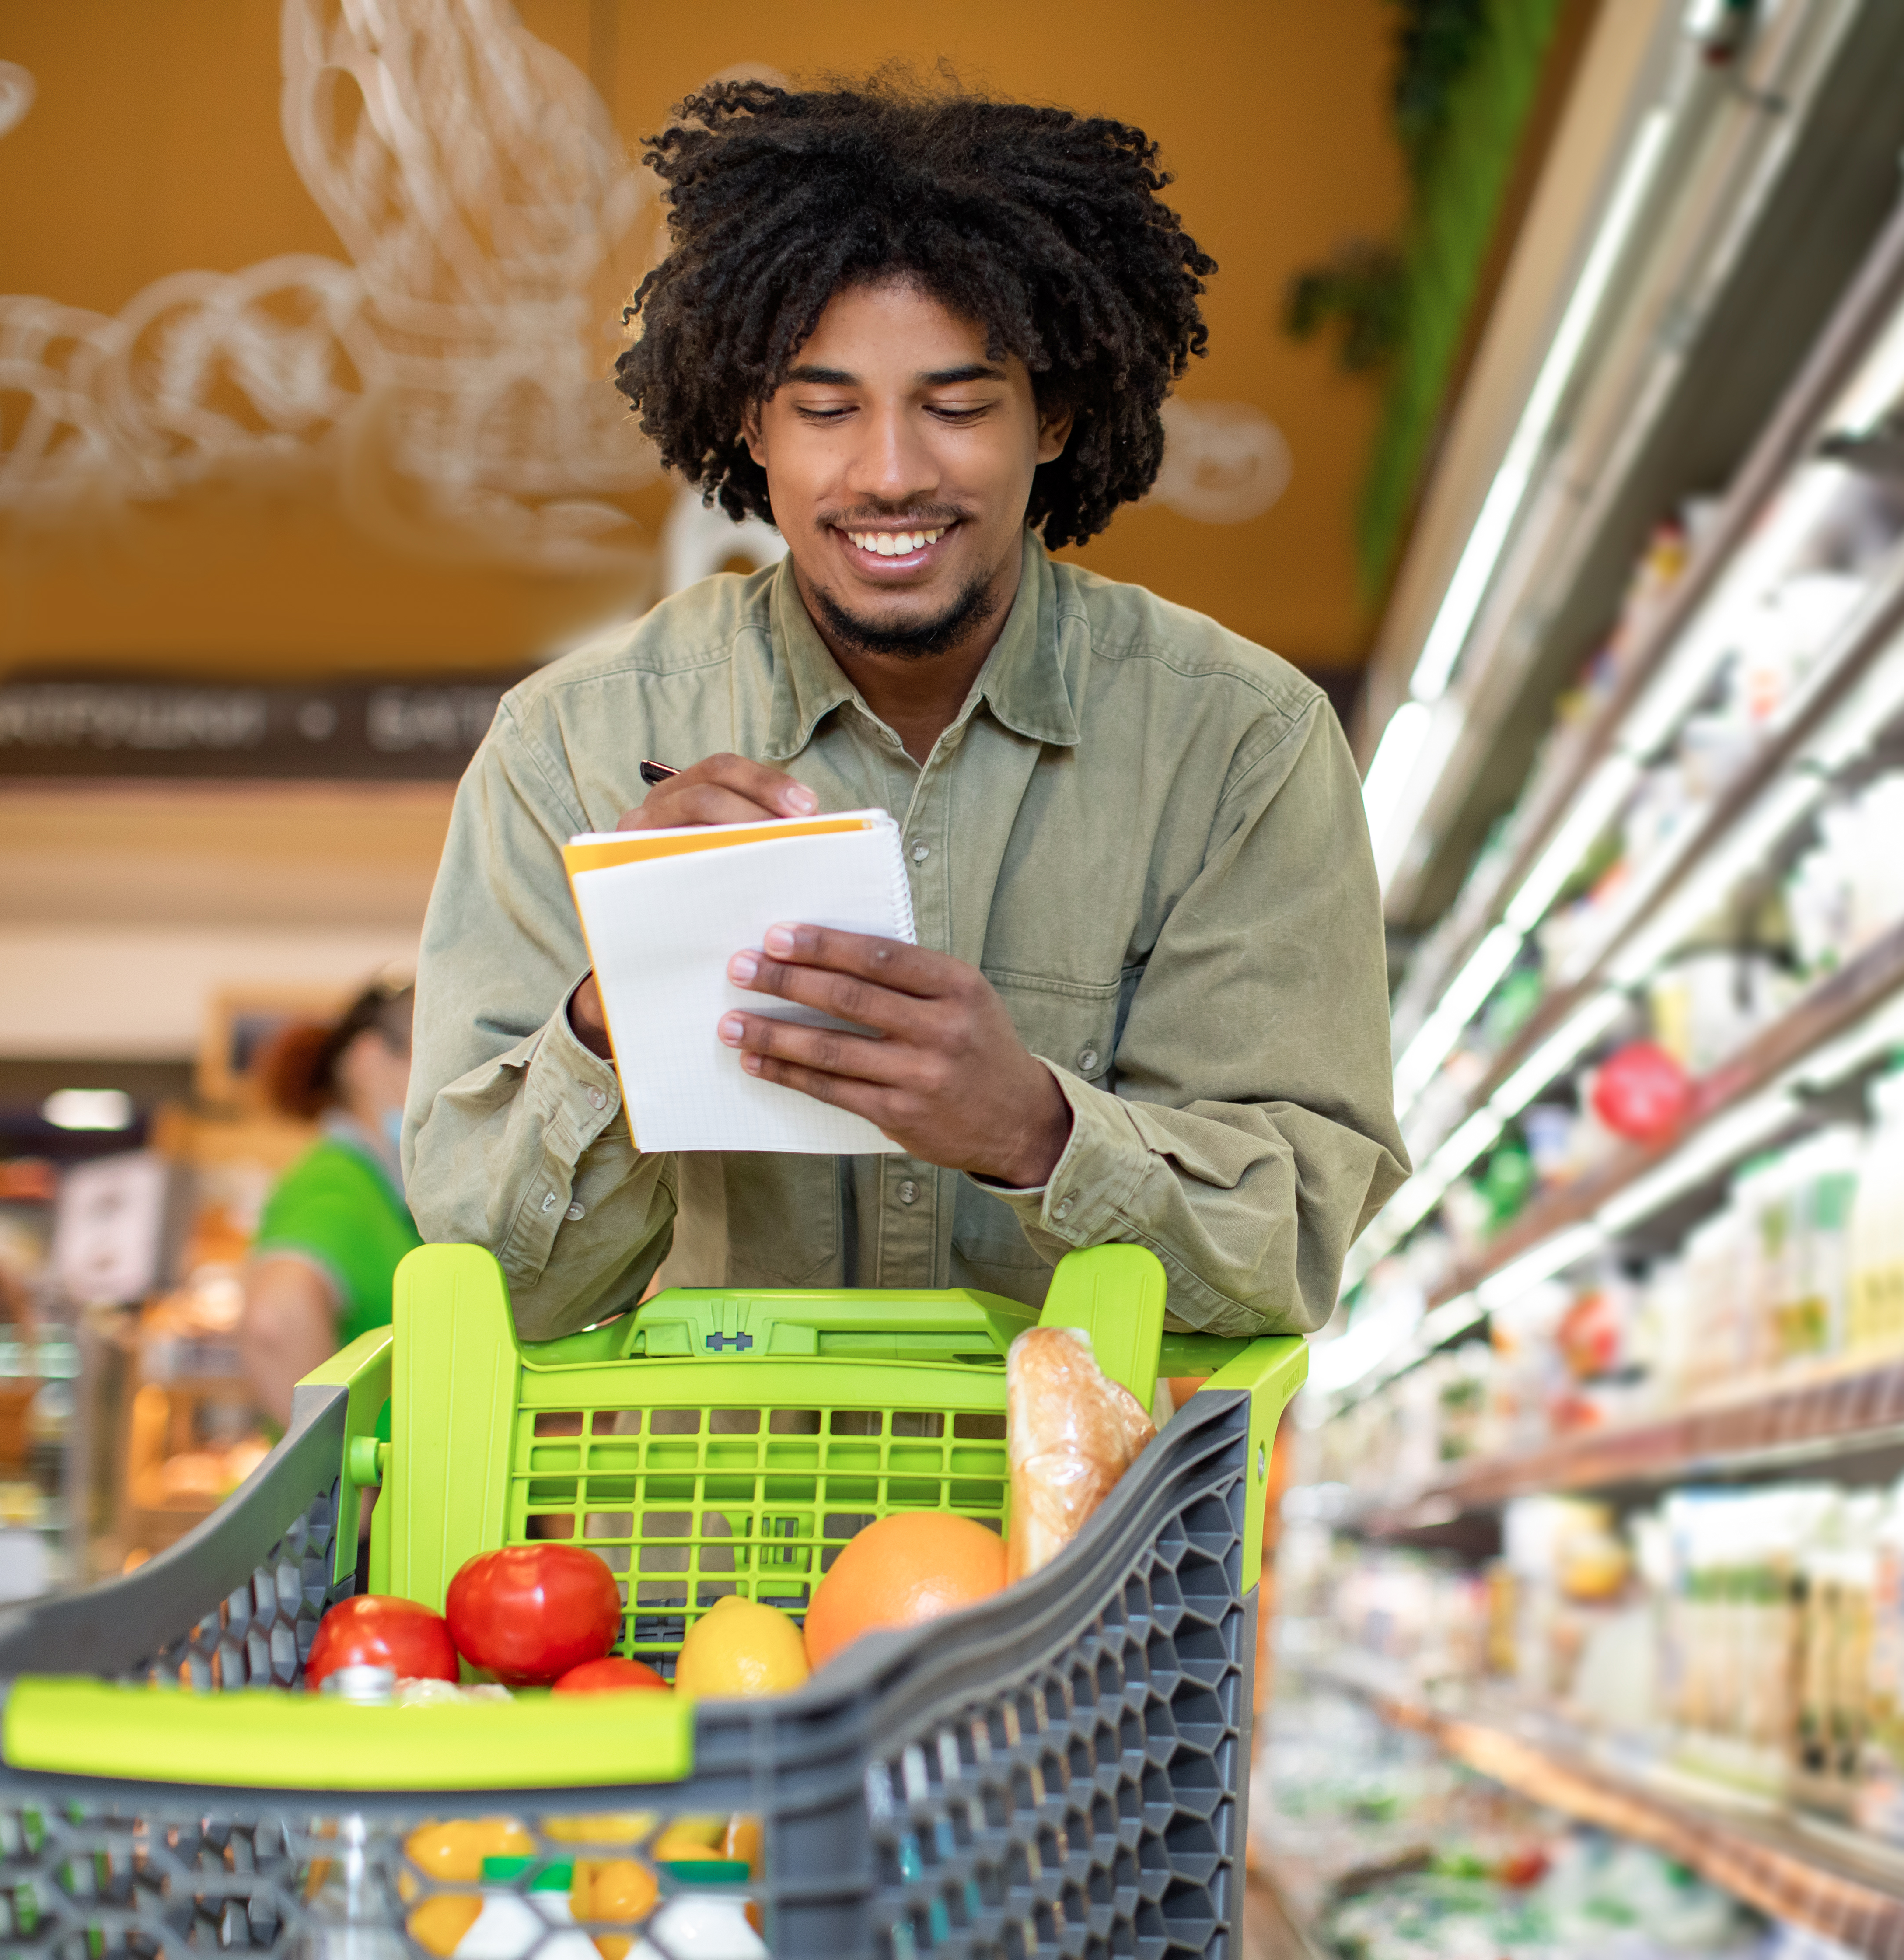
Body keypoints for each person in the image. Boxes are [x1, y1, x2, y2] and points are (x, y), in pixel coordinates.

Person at [404, 79, 1408, 1343]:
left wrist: (1034, 1131)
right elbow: (502, 1295)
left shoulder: (1237, 748)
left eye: (958, 406)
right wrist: (619, 1008)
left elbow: (1298, 1249)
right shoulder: (568, 747)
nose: (889, 472)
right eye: (826, 408)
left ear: (1058, 416)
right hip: (702, 1530)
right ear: (749, 424)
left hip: (1088, 1536)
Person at [241, 980, 421, 1424]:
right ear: (369, 1062)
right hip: (383, 1494)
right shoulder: (336, 1182)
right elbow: (274, 1323)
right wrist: (345, 1481)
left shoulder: (384, 1192)